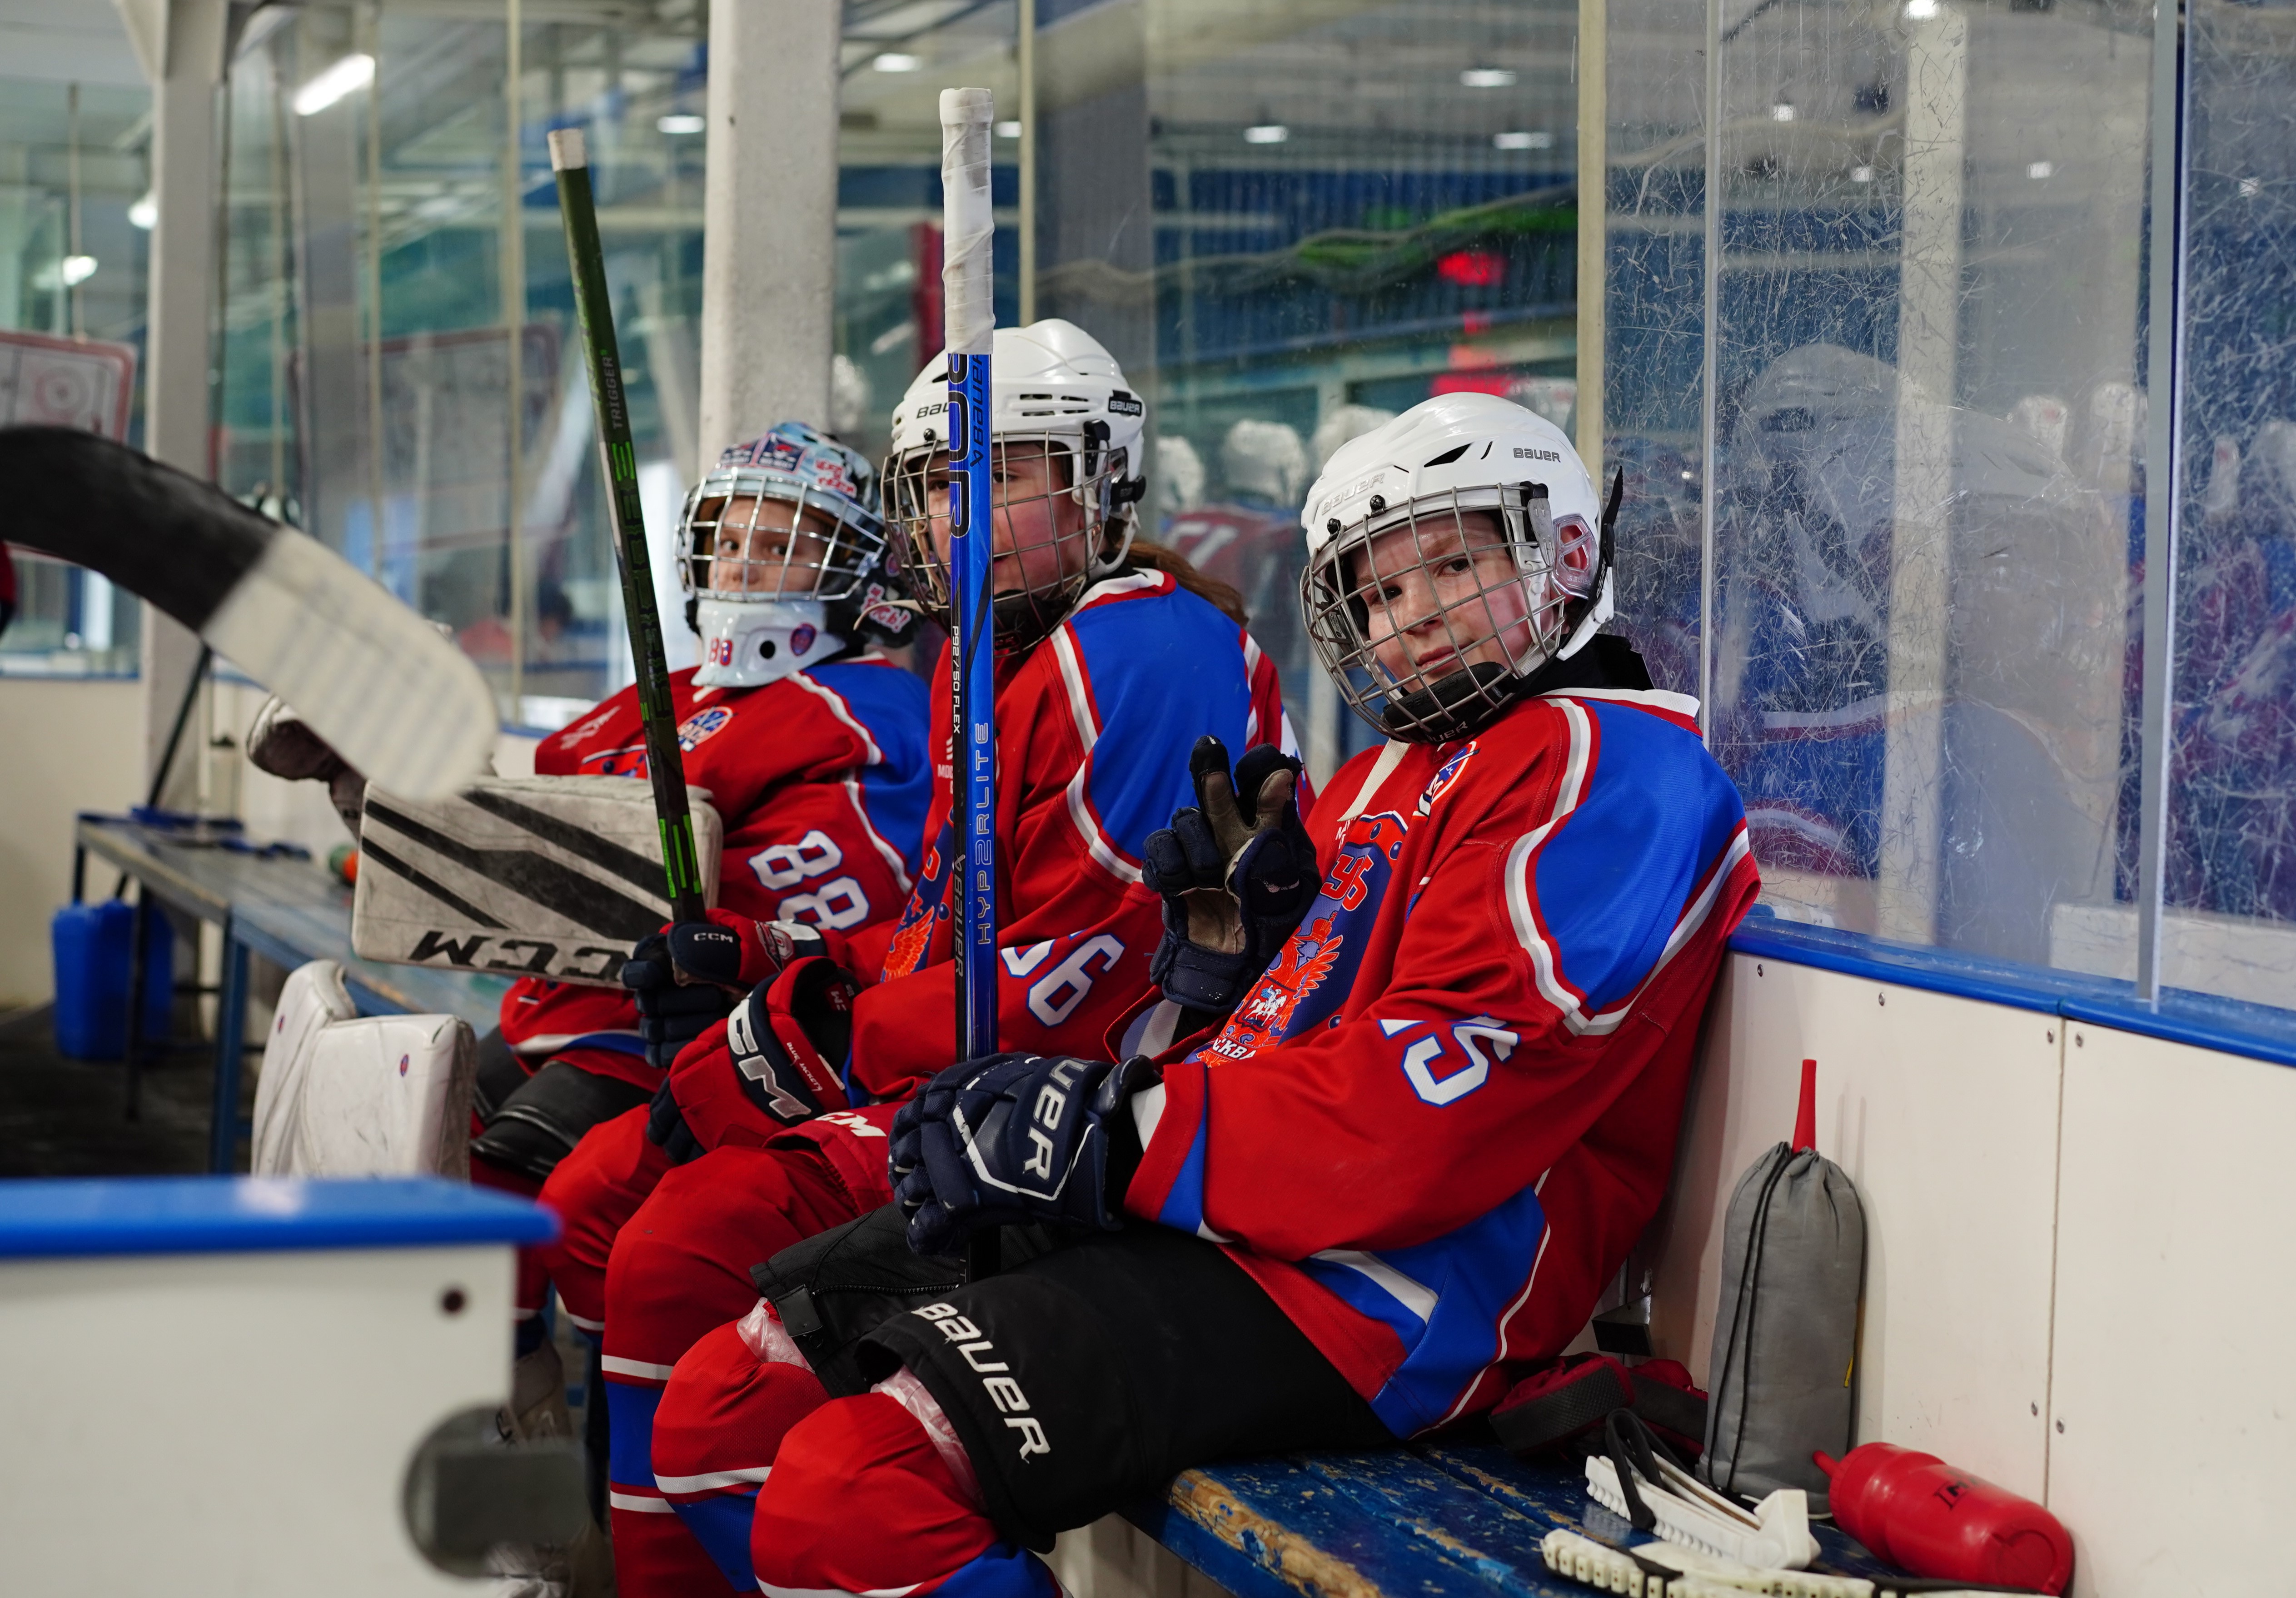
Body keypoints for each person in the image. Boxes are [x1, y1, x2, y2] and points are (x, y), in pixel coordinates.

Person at [647, 391, 1761, 1598]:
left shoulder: (1619, 768)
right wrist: (1217, 977)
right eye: (1382, 594)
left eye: (1450, 563)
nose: (1417, 619)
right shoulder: (1396, 767)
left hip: (1390, 1293)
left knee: (849, 1486)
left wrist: (1106, 1128)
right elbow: (1275, 1042)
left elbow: (1425, 1112)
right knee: (725, 1404)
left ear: (1566, 552)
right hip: (1232, 1218)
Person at [592, 319, 1308, 1595]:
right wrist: (771, 956)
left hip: (1068, 1135)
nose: (958, 513)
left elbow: (1080, 984)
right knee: (638, 1231)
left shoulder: (1139, 652)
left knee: (672, 1250)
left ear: (1101, 480)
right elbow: (948, 928)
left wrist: (807, 1037)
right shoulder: (993, 655)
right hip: (981, 1105)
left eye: (1008, 472)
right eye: (935, 482)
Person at [463, 423, 933, 1430]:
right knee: (430, 1119)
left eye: (781, 544)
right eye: (730, 541)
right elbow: (537, 830)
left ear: (855, 569)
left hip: (682, 1032)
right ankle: (494, 1396)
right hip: (565, 1000)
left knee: (520, 1167)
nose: (746, 563)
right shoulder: (668, 696)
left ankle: (556, 1422)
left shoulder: (868, 708)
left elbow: (816, 910)